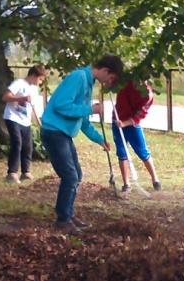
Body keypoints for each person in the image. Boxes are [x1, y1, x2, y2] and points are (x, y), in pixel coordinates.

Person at [41, 54, 123, 233]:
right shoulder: (78, 77)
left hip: (63, 134)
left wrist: (99, 139)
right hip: (53, 131)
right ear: (105, 70)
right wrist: (90, 109)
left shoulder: (88, 83)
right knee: (70, 176)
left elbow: (83, 121)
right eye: (111, 78)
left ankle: (68, 214)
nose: (109, 82)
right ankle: (63, 220)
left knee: (76, 174)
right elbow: (61, 105)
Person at [111, 79, 161, 192]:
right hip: (118, 120)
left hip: (133, 124)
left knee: (142, 151)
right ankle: (126, 184)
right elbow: (112, 84)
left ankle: (155, 179)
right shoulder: (125, 81)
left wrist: (125, 123)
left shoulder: (148, 96)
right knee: (121, 152)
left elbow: (140, 115)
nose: (138, 82)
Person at [2, 64, 47, 183]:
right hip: (12, 117)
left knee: (28, 146)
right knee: (17, 142)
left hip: (25, 121)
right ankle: (12, 173)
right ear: (33, 75)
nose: (40, 82)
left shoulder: (34, 89)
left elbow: (33, 108)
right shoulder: (19, 83)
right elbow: (5, 97)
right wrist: (19, 99)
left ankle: (26, 172)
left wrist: (38, 124)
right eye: (40, 79)